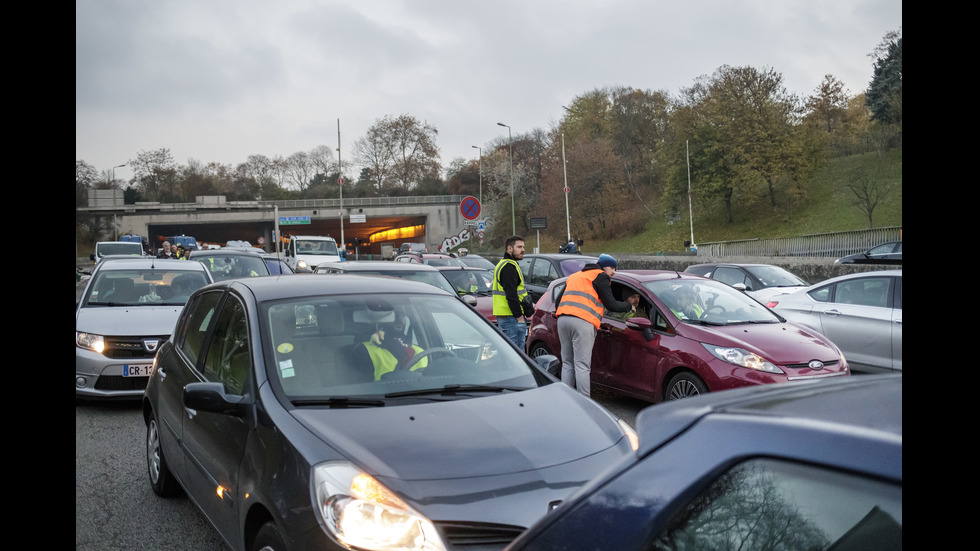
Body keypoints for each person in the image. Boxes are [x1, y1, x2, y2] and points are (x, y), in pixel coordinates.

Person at [556, 253, 632, 397]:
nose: (614, 271)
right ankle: (585, 403)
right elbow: (611, 304)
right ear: (603, 267)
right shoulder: (600, 276)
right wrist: (628, 306)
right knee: (582, 366)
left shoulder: (574, 276)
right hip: (582, 322)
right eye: (612, 268)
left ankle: (565, 399)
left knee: (567, 363)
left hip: (562, 320)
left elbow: (558, 301)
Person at [492, 235, 534, 348]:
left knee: (512, 353)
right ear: (509, 248)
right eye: (519, 247)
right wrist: (519, 316)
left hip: (508, 317)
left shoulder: (506, 264)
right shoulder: (508, 267)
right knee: (517, 355)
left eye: (523, 247)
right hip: (512, 318)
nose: (523, 250)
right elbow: (511, 295)